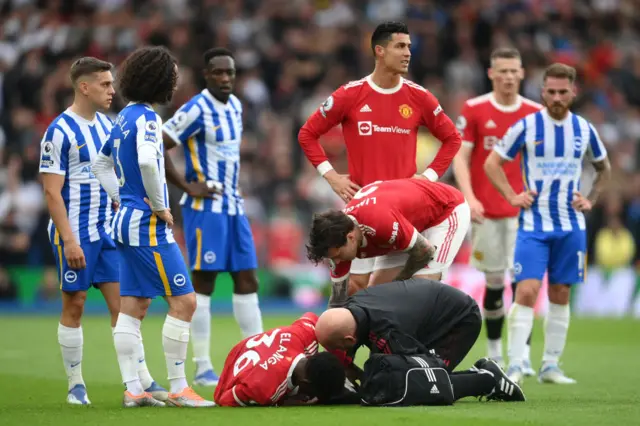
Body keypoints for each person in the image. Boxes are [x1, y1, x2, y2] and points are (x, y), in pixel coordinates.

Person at [298, 21, 461, 295]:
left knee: (385, 292)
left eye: (409, 46)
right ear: (380, 51)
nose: (408, 52)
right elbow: (307, 134)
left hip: (402, 213)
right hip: (362, 209)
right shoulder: (351, 94)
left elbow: (452, 138)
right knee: (355, 287)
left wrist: (427, 178)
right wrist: (332, 176)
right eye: (400, 46)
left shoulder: (418, 97)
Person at [92, 46, 214, 407]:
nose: (175, 82)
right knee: (185, 302)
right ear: (159, 80)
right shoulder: (147, 118)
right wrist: (160, 207)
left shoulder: (123, 116)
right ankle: (179, 388)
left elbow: (101, 165)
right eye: (172, 76)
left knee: (133, 305)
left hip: (123, 221)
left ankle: (133, 390)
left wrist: (121, 196)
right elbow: (148, 161)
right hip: (146, 225)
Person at [39, 57, 164, 405]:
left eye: (112, 84)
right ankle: (76, 385)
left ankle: (140, 383)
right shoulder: (59, 131)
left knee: (125, 306)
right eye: (105, 84)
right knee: (75, 304)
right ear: (84, 87)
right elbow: (51, 191)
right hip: (75, 233)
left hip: (108, 231)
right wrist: (69, 240)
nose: (113, 90)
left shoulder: (109, 126)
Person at [484, 63, 611, 385]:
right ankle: (516, 364)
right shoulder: (526, 126)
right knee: (526, 290)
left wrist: (591, 198)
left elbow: (603, 167)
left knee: (560, 292)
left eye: (562, 92)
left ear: (573, 93)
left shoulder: (584, 129)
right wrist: (513, 196)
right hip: (533, 225)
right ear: (542, 92)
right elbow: (492, 163)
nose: (556, 97)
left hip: (571, 225)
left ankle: (550, 366)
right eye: (551, 92)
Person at [162, 47, 263, 387]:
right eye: (217, 72)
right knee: (204, 282)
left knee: (248, 279)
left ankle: (259, 358)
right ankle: (203, 365)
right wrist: (187, 187)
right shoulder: (195, 109)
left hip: (234, 205)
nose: (224, 78)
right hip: (205, 210)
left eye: (229, 73)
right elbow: (158, 143)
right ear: (206, 75)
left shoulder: (235, 106)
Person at [452, 47, 542, 372]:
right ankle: (494, 352)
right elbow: (460, 157)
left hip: (524, 213)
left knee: (524, 284)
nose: (508, 76)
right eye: (501, 71)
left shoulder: (535, 112)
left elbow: (541, 162)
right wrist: (469, 197)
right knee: (493, 283)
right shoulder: (475, 109)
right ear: (491, 74)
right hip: (486, 212)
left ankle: (522, 356)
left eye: (513, 71)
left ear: (521, 73)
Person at [315, 278, 525, 403]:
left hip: (459, 320)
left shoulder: (389, 332)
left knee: (422, 382)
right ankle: (481, 373)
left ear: (349, 338)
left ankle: (488, 380)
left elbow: (400, 373)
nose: (340, 353)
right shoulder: (354, 308)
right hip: (428, 316)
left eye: (338, 348)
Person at [306, 178, 470, 306]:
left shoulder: (380, 224)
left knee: (420, 289)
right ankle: (384, 348)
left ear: (351, 237)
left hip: (445, 211)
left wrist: (400, 281)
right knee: (375, 299)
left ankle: (426, 347)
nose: (338, 261)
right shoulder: (337, 241)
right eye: (333, 258)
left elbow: (425, 251)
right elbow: (337, 302)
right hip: (406, 223)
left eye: (339, 256)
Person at [214, 313, 346, 406]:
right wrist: (282, 401)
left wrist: (346, 363)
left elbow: (311, 317)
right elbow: (223, 399)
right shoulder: (266, 390)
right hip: (235, 365)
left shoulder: (308, 335)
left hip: (257, 349)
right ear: (305, 383)